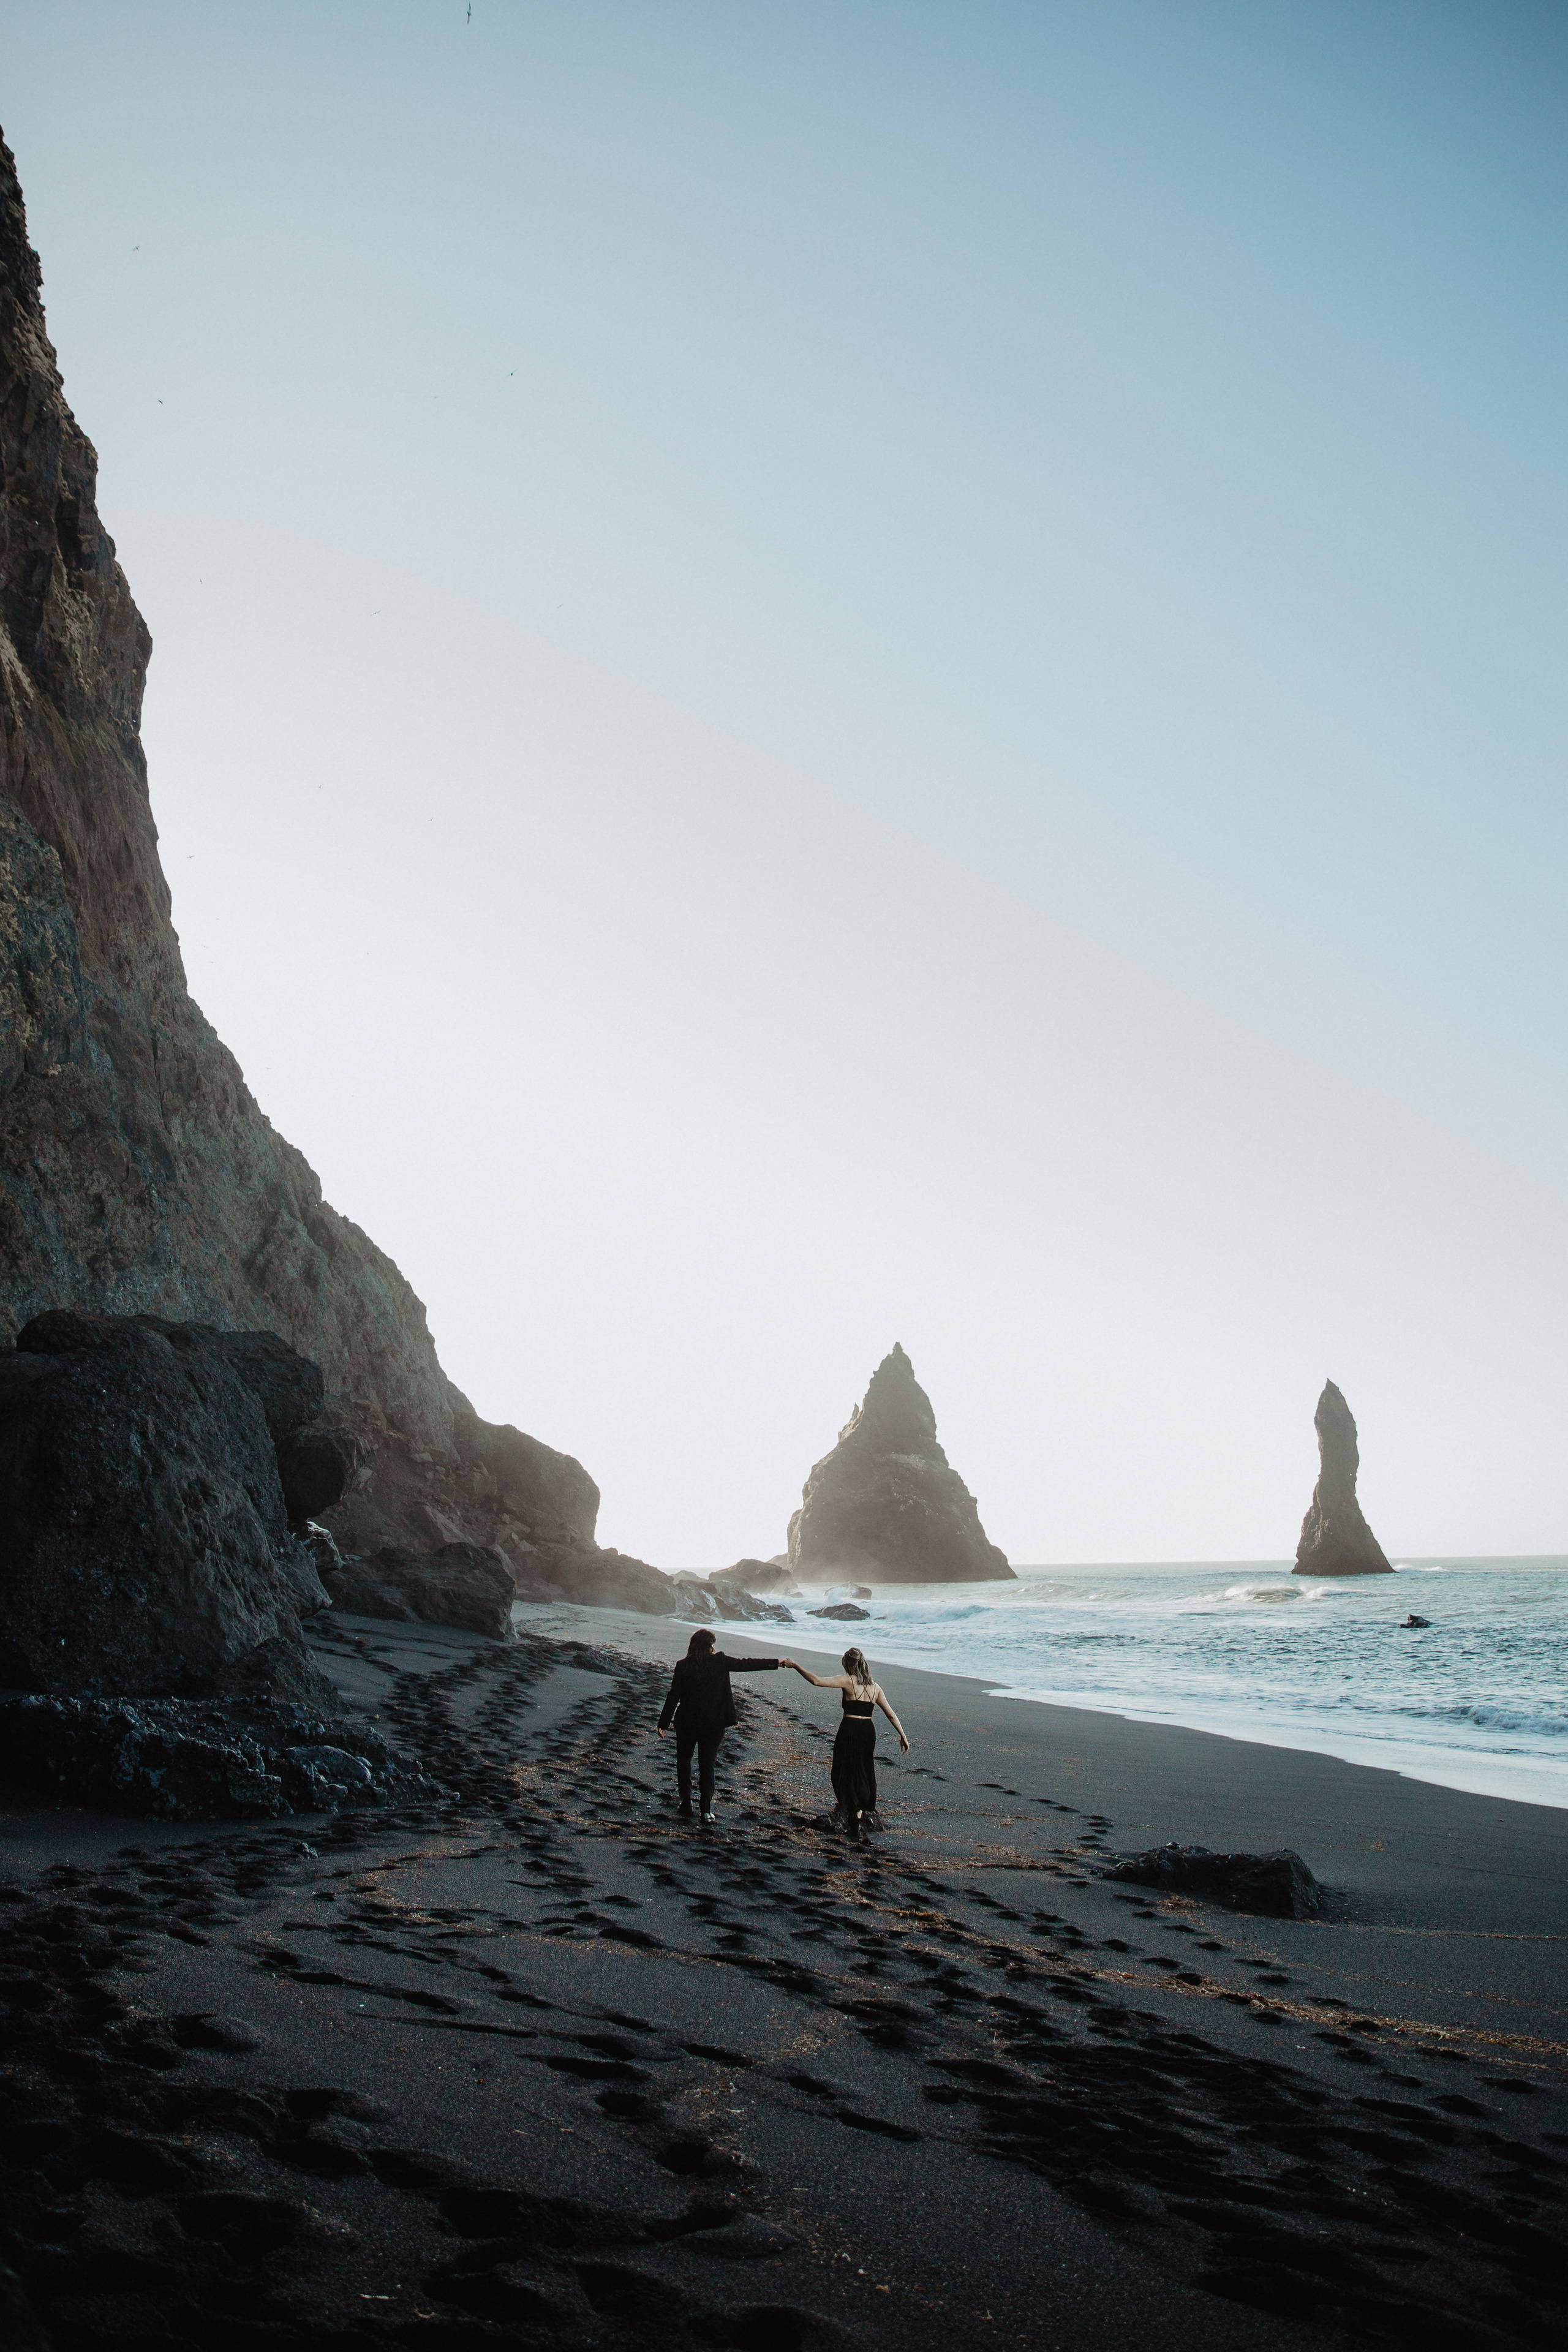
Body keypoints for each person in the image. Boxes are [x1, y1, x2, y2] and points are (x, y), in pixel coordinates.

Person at [655, 1627, 784, 1822]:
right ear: (711, 1646)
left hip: (688, 1722)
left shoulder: (683, 1665)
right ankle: (706, 1811)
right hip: (714, 1723)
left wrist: (663, 1722)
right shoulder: (721, 1661)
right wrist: (776, 1663)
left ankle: (686, 1802)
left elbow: (674, 1695)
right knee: (708, 1765)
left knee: (684, 1760)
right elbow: (746, 1665)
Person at [783, 1646, 908, 1840]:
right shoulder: (876, 1687)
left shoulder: (848, 1681)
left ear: (848, 1664)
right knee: (863, 1770)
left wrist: (795, 1665)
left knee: (843, 1770)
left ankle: (852, 1811)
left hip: (850, 1729)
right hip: (868, 1732)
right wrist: (903, 1736)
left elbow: (816, 1681)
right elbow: (891, 1714)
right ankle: (860, 1811)